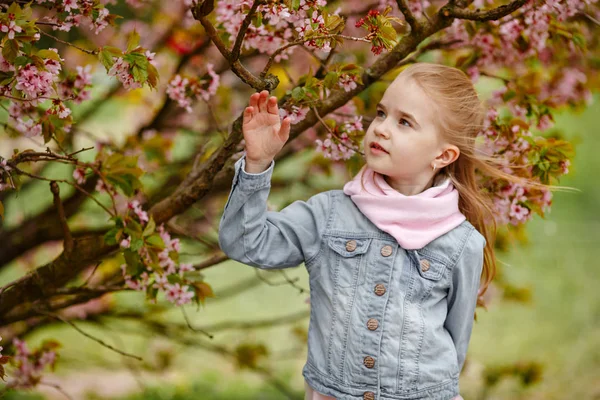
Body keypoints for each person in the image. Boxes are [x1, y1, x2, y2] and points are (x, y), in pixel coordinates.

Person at [218, 63, 555, 400]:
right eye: (381, 114)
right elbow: (245, 243)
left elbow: (455, 343)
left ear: (443, 154)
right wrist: (257, 164)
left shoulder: (462, 243)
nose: (381, 129)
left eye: (404, 122)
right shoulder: (329, 215)